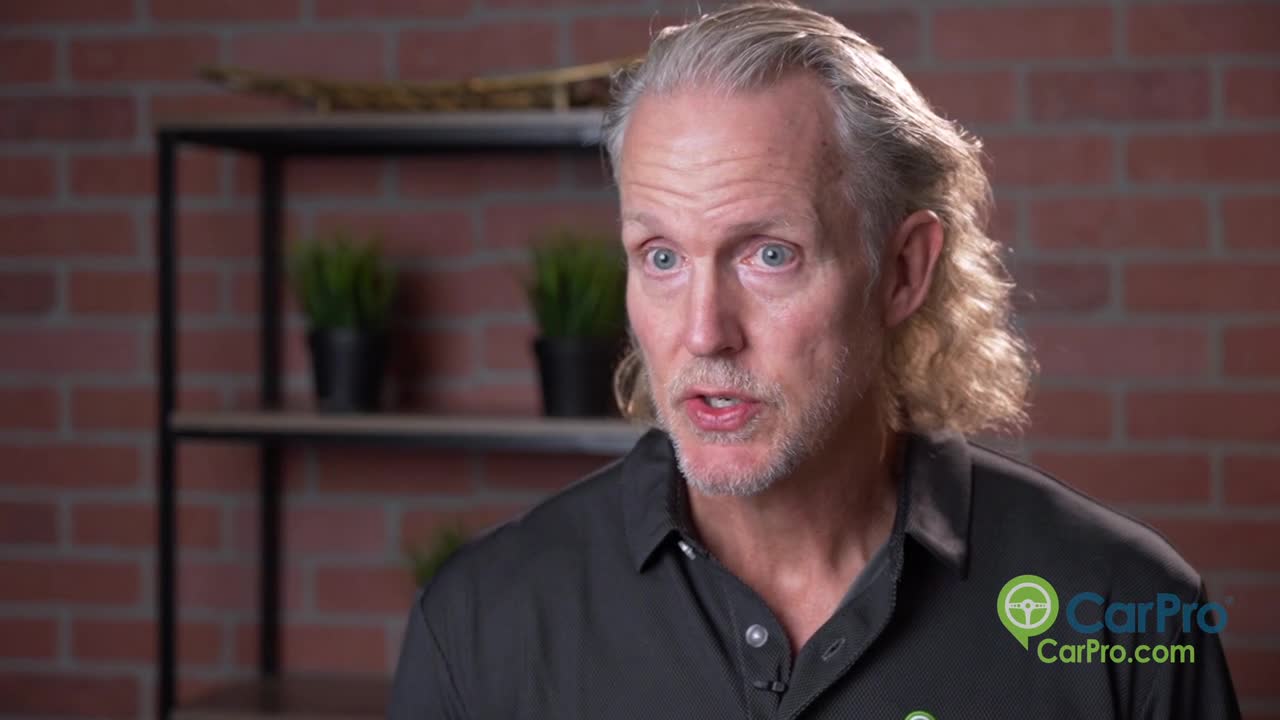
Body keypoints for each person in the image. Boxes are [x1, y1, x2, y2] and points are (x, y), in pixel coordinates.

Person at [388, 2, 1241, 718]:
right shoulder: (480, 626)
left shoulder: (1128, 616)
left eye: (769, 255)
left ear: (901, 271)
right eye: (661, 257)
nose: (704, 333)